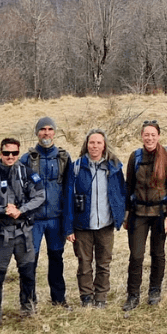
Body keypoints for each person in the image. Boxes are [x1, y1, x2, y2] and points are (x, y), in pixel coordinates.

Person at [0, 138, 45, 330]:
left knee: (28, 273)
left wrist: (21, 210)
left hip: (24, 232)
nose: (10, 157)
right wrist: (2, 210)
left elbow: (40, 195)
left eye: (14, 153)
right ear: (1, 153)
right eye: (7, 153)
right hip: (0, 234)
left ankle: (28, 309)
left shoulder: (26, 172)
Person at [64, 129, 127, 308]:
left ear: (104, 145)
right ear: (86, 144)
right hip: (82, 225)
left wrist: (121, 216)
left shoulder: (113, 167)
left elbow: (121, 193)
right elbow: (68, 198)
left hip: (105, 225)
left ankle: (100, 296)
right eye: (92, 142)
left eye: (99, 143)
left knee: (104, 263)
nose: (95, 146)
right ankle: (86, 296)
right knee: (84, 264)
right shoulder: (76, 167)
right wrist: (68, 228)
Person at [123, 120, 167, 310]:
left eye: (153, 135)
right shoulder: (135, 157)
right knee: (136, 256)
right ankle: (133, 295)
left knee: (158, 253)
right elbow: (128, 186)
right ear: (141, 136)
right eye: (146, 134)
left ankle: (155, 291)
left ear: (158, 136)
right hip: (138, 213)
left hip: (159, 213)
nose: (149, 138)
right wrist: (126, 214)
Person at [19, 117, 71, 308]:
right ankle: (28, 302)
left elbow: (68, 189)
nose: (46, 133)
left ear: (55, 132)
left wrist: (68, 221)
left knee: (56, 259)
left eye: (50, 129)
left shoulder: (64, 158)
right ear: (37, 133)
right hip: (34, 220)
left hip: (56, 219)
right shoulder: (26, 159)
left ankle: (59, 299)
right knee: (29, 262)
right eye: (42, 129)